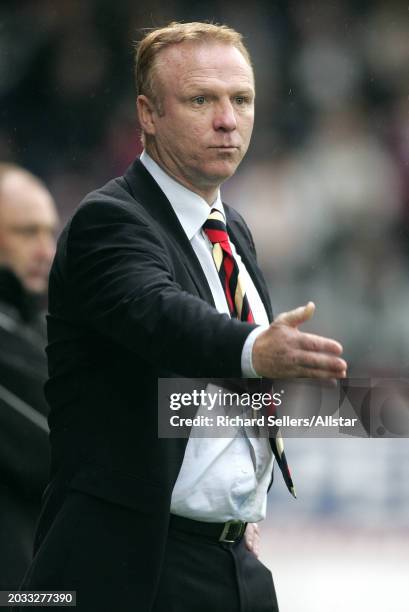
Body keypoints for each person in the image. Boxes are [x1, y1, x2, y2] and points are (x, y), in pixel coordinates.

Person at [20, 22, 347, 611]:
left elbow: (205, 399)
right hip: (135, 568)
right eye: (201, 100)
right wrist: (254, 351)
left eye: (240, 99)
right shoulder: (109, 221)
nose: (227, 119)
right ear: (148, 114)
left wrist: (242, 501)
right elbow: (162, 319)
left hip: (232, 565)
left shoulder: (231, 229)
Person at [0, 163, 58, 588]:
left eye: (49, 232)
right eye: (26, 232)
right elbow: (79, 445)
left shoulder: (34, 326)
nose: (46, 250)